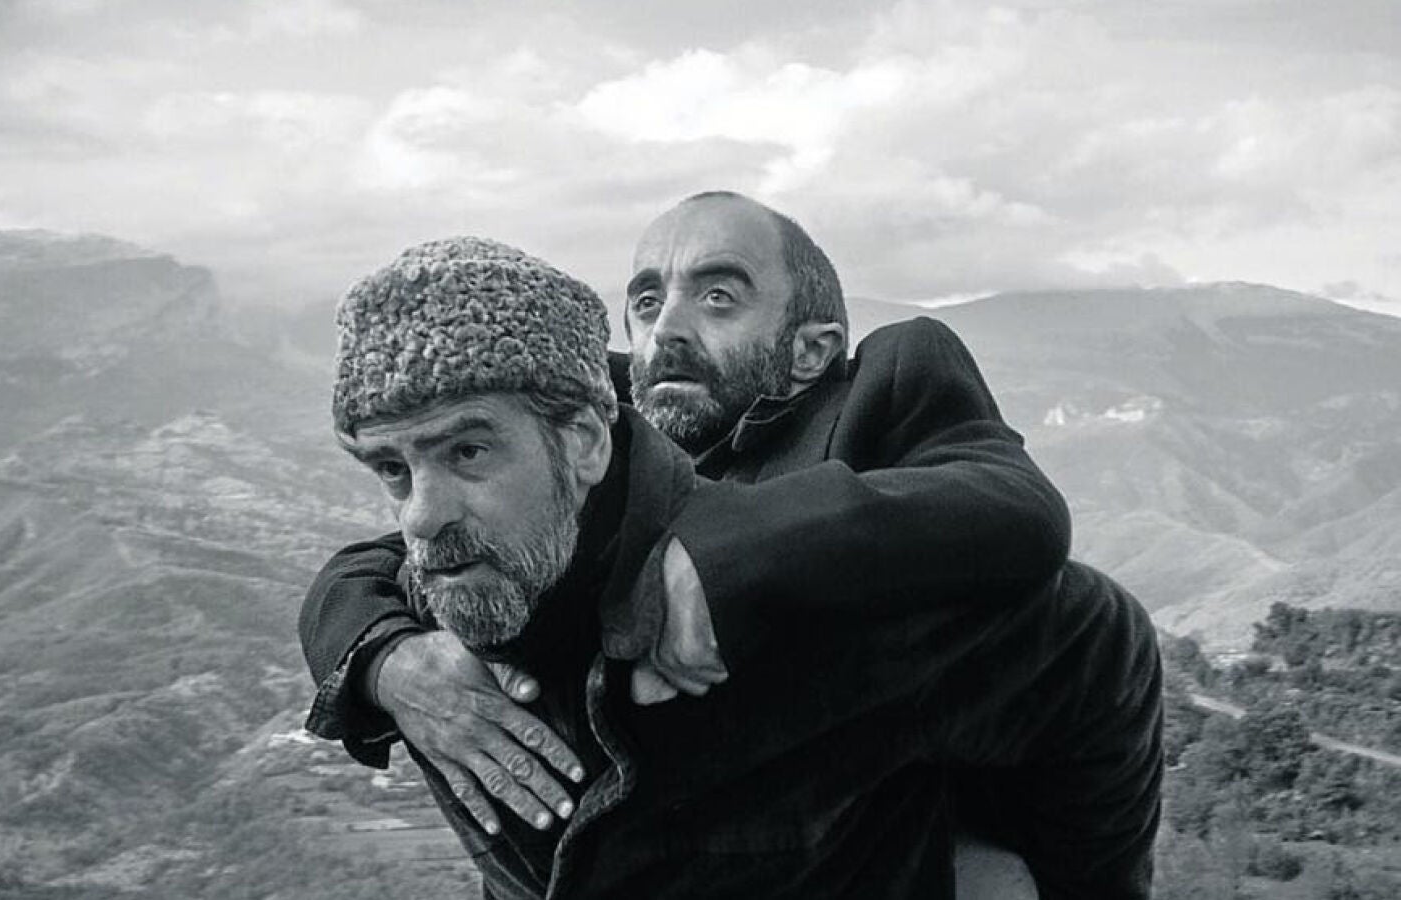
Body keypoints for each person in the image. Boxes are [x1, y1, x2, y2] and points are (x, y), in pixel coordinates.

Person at [312, 234, 1163, 899]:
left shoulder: (826, 611)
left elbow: (1092, 635)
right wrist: (385, 664)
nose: (420, 515)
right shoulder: (454, 592)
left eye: (467, 451)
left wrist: (1048, 881)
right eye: (391, 469)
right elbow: (360, 572)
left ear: (583, 442)